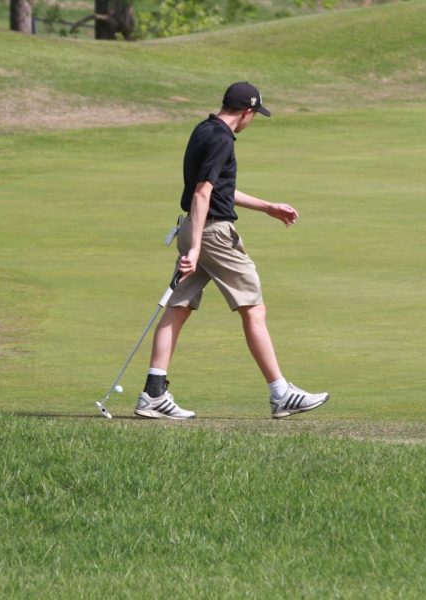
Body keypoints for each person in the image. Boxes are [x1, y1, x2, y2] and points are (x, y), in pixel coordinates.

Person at [135, 82, 329, 420]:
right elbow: (201, 193)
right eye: (256, 115)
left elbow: (219, 189)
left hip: (192, 228)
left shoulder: (203, 129)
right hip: (212, 236)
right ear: (247, 112)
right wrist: (196, 248)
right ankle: (280, 394)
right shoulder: (223, 139)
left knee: (177, 308)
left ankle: (153, 394)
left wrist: (267, 206)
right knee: (253, 308)